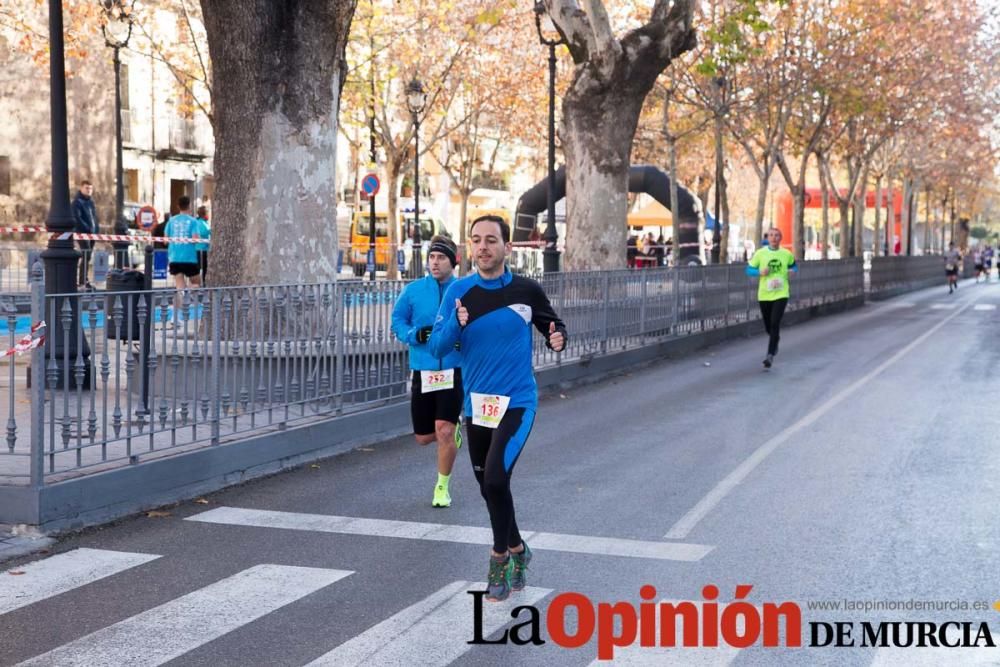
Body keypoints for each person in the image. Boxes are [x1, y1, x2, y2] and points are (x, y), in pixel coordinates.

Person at [430, 214, 566, 603]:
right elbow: (438, 347)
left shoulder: (527, 290)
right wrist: (455, 326)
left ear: (507, 246)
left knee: (493, 479)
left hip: (518, 402)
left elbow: (554, 327)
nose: (483, 247)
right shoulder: (459, 291)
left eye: (491, 240)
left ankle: (499, 559)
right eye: (476, 240)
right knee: (490, 486)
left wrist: (558, 339)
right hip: (477, 405)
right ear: (469, 247)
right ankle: (520, 547)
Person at [391, 235, 464, 508]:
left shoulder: (464, 289)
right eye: (432, 257)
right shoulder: (413, 291)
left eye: (441, 258)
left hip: (454, 369)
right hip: (423, 370)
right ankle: (452, 432)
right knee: (424, 437)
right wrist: (413, 334)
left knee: (443, 430)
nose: (435, 262)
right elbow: (397, 320)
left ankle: (442, 487)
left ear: (453, 261)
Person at [746, 226, 797, 369]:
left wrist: (792, 272)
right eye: (771, 235)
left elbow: (794, 267)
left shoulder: (786, 254)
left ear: (780, 238)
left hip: (781, 293)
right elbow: (748, 270)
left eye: (777, 235)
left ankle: (770, 355)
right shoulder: (760, 254)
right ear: (767, 238)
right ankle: (775, 339)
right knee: (769, 325)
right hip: (764, 294)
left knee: (775, 322)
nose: (774, 238)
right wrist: (759, 272)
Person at [164, 197, 209, 321]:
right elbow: (195, 238)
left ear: (178, 206)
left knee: (179, 287)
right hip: (189, 258)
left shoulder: (171, 221)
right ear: (189, 205)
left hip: (174, 257)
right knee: (196, 282)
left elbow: (165, 240)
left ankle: (174, 317)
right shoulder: (193, 221)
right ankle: (188, 293)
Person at [71, 179, 99, 288]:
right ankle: (83, 280)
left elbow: (94, 218)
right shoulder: (77, 202)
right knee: (86, 254)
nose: (89, 190)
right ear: (81, 188)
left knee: (87, 256)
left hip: (92, 234)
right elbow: (77, 218)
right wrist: (87, 229)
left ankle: (83, 280)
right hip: (82, 233)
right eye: (87, 188)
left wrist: (96, 229)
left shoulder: (91, 202)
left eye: (91, 188)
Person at [195, 205, 211, 286]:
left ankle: (199, 284)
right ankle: (201, 284)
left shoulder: (200, 222)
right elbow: (206, 233)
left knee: (200, 268)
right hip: (202, 249)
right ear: (205, 214)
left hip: (199, 249)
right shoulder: (202, 223)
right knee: (203, 268)